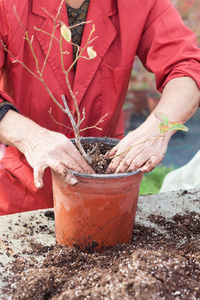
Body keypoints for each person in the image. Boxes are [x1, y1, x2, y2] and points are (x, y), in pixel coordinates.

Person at [0, 0, 200, 215]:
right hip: (24, 189)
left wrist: (156, 130)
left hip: (105, 187)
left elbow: (186, 65)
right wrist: (31, 137)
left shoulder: (141, 4)